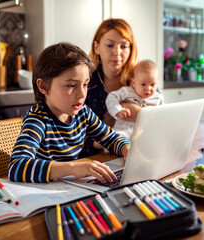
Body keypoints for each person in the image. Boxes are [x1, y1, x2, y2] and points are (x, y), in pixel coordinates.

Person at [8, 42, 130, 183]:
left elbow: (110, 138)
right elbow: (16, 167)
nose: (81, 94)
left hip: (71, 188)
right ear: (43, 86)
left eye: (85, 84)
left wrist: (126, 148)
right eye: (71, 85)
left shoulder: (83, 113)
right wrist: (72, 168)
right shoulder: (37, 120)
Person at [81, 18, 140, 157]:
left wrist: (139, 111)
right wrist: (109, 143)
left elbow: (159, 114)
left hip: (135, 155)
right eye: (109, 45)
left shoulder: (139, 79)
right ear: (96, 47)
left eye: (124, 46)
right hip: (95, 160)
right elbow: (70, 134)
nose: (117, 52)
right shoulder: (84, 83)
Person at [105, 60, 164, 140]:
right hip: (123, 129)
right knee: (115, 140)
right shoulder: (127, 91)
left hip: (145, 132)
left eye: (153, 85)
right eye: (143, 84)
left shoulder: (158, 98)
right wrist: (118, 110)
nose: (148, 88)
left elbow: (163, 115)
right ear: (133, 83)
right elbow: (111, 97)